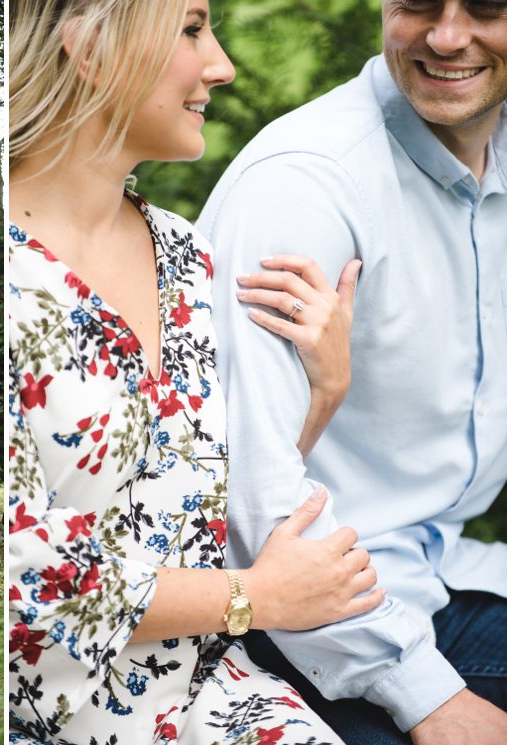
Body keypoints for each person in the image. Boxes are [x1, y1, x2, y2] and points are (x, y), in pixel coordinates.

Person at [7, 1, 384, 742]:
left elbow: (194, 503)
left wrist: (327, 387)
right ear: (88, 47)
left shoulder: (187, 256)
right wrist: (255, 596)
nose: (222, 64)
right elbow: (17, 584)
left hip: (207, 693)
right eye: (190, 28)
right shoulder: (6, 273)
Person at [197, 2, 507, 743]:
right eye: (419, 5)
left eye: (486, 8)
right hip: (303, 621)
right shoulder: (306, 183)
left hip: (447, 568)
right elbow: (246, 486)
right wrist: (429, 697)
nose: (446, 37)